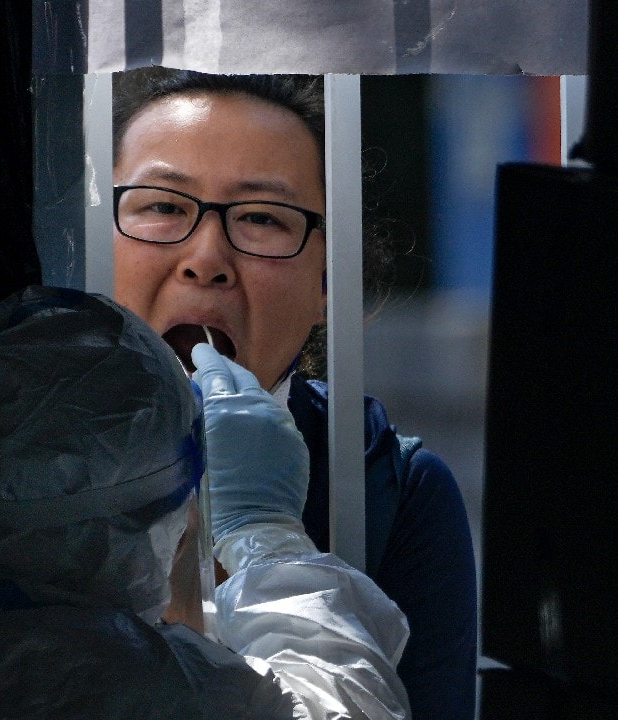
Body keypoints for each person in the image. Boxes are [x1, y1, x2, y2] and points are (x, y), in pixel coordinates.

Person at [112, 68, 479, 719]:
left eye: (260, 218)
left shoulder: (388, 486)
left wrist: (264, 540)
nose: (206, 256)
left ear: (326, 283)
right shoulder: (10, 455)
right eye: (163, 206)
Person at [0, 285, 411, 719]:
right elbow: (352, 707)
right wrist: (264, 534)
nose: (207, 267)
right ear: (171, 529)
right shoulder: (158, 694)